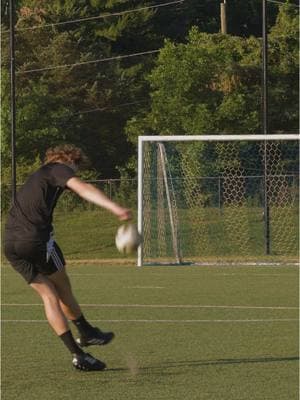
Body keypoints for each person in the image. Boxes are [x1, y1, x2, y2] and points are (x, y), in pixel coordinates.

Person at [4, 144, 132, 371]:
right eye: (76, 166)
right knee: (62, 287)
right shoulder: (58, 168)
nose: (75, 171)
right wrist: (115, 207)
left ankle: (78, 354)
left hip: (10, 245)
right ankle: (86, 331)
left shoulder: (37, 177)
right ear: (68, 159)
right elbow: (82, 188)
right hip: (36, 240)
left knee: (48, 296)